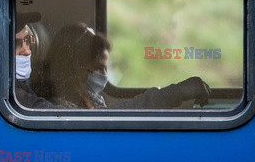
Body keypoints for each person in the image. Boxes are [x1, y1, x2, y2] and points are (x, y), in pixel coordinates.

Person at [36, 22, 211, 109]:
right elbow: (115, 117)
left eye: (105, 68)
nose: (103, 75)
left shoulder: (88, 97)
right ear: (76, 67)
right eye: (98, 68)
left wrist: (176, 93)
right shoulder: (61, 106)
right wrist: (175, 93)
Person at [14, 12, 59, 109]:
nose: (27, 51)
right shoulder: (10, 93)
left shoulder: (22, 86)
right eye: (16, 43)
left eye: (27, 40)